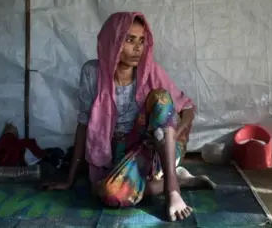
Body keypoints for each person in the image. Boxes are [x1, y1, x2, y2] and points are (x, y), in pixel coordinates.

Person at [41, 12, 216, 221]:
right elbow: (84, 124)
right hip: (115, 154)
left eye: (142, 41)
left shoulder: (151, 71)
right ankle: (179, 179)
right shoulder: (92, 73)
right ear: (113, 40)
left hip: (155, 150)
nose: (138, 48)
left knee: (160, 97)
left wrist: (170, 137)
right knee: (109, 194)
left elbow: (187, 109)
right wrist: (70, 178)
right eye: (130, 40)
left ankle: (172, 189)